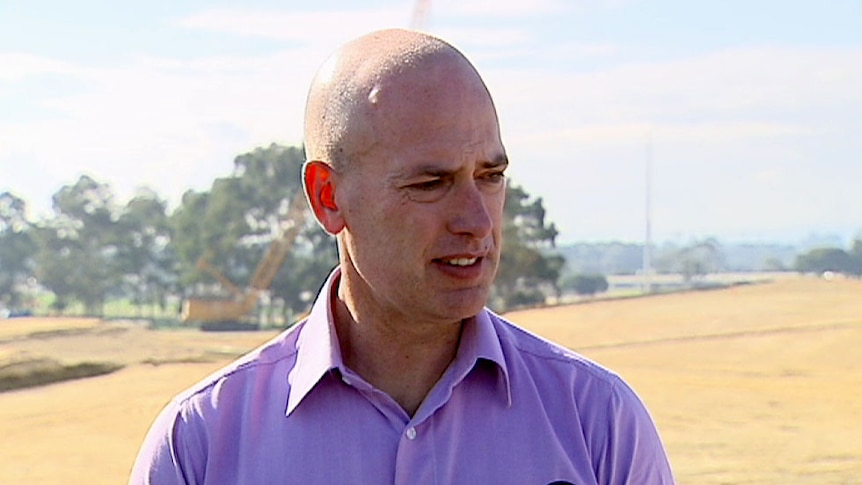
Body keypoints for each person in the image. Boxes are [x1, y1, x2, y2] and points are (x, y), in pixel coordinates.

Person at [130, 29, 675, 484]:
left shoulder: (598, 423)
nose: (478, 222)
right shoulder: (199, 445)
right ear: (328, 198)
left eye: (491, 177)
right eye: (430, 183)